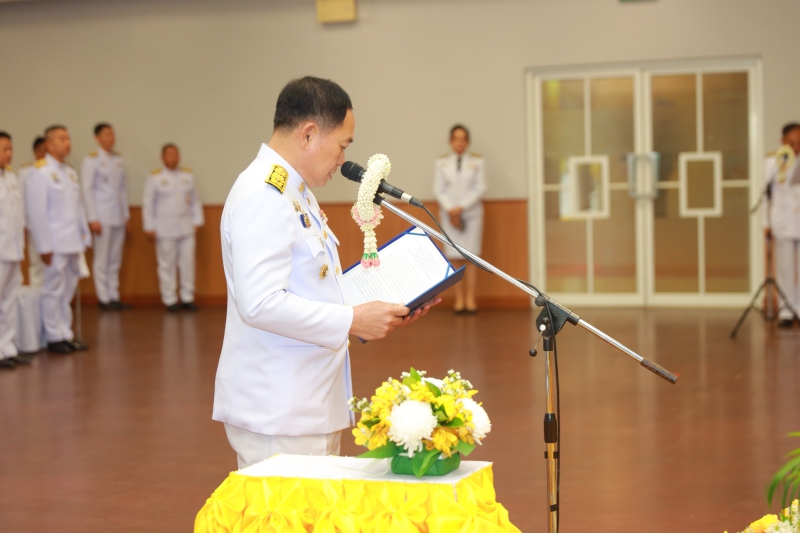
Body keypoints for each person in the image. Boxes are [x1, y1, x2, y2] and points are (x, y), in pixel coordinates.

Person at [213, 76, 438, 468]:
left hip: (303, 401)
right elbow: (261, 304)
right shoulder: (264, 196)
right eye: (342, 146)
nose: (342, 159)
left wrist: (384, 307)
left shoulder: (293, 192)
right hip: (279, 410)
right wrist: (354, 319)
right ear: (308, 133)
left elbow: (311, 285)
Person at [24, 125, 90, 354]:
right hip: (54, 243)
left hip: (72, 241)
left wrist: (84, 235)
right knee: (53, 289)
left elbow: (78, 208)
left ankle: (65, 332)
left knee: (67, 290)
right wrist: (44, 246)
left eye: (69, 138)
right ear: (49, 144)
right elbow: (37, 213)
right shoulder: (40, 173)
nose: (68, 142)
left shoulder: (69, 172)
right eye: (62, 138)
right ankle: (53, 336)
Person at [142, 143, 204, 312]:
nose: (173, 157)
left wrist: (197, 221)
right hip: (164, 228)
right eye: (169, 154)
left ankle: (187, 297)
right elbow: (148, 203)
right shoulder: (155, 177)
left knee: (187, 263)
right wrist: (149, 226)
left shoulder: (187, 175)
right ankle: (169, 299)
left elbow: (195, 200)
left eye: (175, 154)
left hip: (186, 226)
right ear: (163, 158)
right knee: (166, 264)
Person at [434, 124, 486, 314]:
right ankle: (459, 299)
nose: (459, 142)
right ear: (451, 141)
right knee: (454, 256)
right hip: (449, 216)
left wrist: (460, 208)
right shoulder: (442, 163)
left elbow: (480, 188)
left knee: (471, 257)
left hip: (470, 216)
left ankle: (470, 299)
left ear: (467, 142)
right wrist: (451, 210)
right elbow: (438, 189)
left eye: (463, 139)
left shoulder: (477, 162)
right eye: (456, 138)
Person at [81, 123, 131, 311]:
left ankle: (114, 294)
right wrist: (93, 218)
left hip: (117, 216)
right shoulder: (91, 160)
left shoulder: (118, 160)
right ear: (98, 138)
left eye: (112, 134)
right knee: (102, 259)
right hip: (102, 217)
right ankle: (103, 297)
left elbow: (122, 190)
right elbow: (87, 189)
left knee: (114, 259)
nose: (112, 138)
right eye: (107, 134)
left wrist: (126, 216)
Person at [0, 132, 32, 369]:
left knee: (9, 300)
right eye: (4, 149)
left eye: (10, 149)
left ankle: (7, 348)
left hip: (12, 249)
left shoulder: (11, 177)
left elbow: (17, 215)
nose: (9, 154)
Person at [765, 122, 800, 327]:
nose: (796, 148)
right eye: (792, 143)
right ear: (783, 141)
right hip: (783, 222)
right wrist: (765, 223)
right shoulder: (772, 161)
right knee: (785, 268)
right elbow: (765, 195)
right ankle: (786, 311)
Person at [17, 136, 46, 287]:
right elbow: (20, 201)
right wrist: (23, 225)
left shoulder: (54, 171)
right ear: (35, 151)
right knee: (36, 263)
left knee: (53, 265)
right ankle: (36, 296)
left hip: (52, 225)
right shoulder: (26, 172)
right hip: (34, 226)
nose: (44, 153)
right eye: (41, 150)